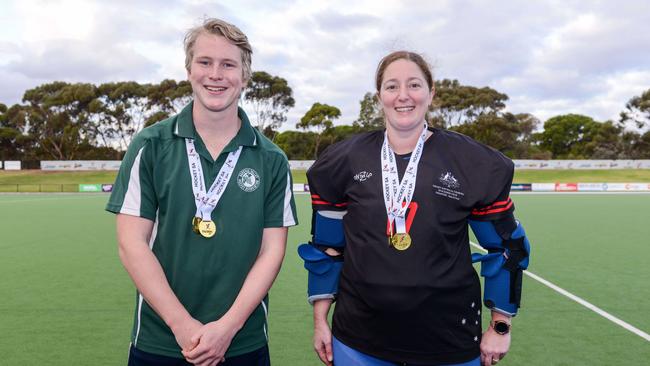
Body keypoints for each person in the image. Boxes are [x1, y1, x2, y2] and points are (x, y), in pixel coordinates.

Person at [299, 51, 530, 366]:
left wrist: (500, 325)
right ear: (379, 95)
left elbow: (507, 247)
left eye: (414, 85)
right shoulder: (343, 160)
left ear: (431, 93)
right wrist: (320, 321)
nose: (403, 96)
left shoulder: (471, 162)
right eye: (392, 86)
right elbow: (326, 249)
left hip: (448, 338)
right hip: (359, 339)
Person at [106, 18, 298, 366]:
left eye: (228, 65)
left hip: (242, 340)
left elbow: (272, 251)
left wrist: (227, 327)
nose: (216, 74)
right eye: (205, 62)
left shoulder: (271, 159)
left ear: (244, 77)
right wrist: (181, 325)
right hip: (160, 340)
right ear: (189, 69)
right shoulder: (150, 145)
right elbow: (131, 243)